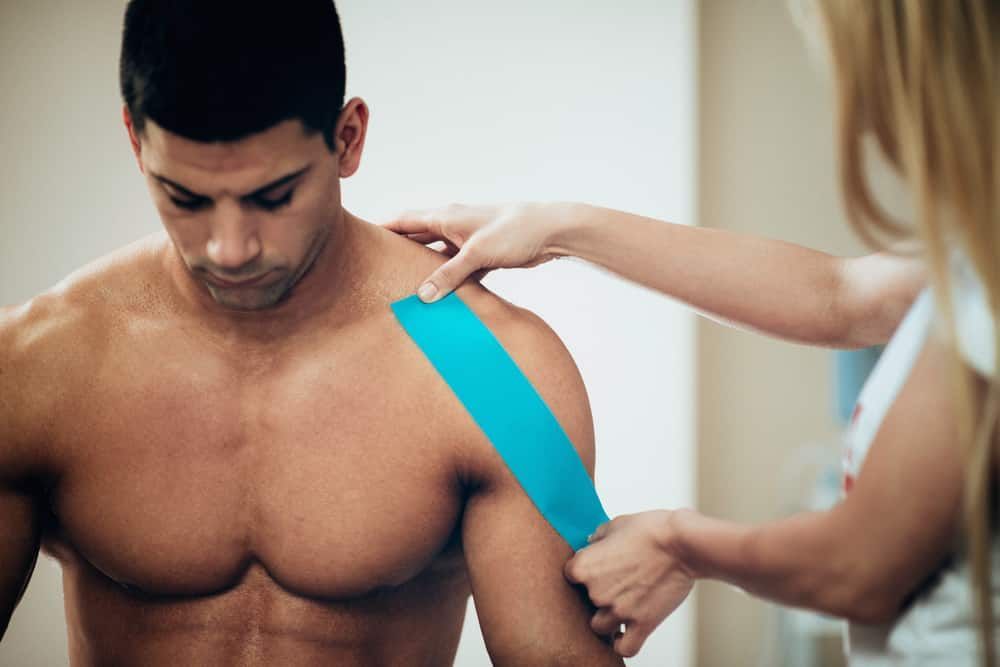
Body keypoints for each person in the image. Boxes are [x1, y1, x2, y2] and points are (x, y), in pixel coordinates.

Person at [0, 1, 625, 665]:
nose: (229, 249)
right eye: (185, 198)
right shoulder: (39, 365)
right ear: (135, 140)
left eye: (273, 197)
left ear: (347, 138)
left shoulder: (492, 369)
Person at [385, 0, 998, 663]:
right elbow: (839, 295)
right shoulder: (975, 257)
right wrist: (557, 226)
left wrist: (682, 545)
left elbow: (861, 565)